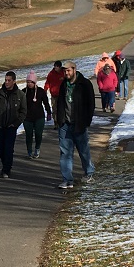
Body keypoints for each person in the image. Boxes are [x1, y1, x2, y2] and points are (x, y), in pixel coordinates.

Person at [55, 59, 96, 189]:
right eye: (64, 71)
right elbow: (60, 103)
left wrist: (86, 121)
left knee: (83, 150)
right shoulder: (63, 85)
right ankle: (67, 179)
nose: (66, 73)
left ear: (74, 69)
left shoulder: (84, 84)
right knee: (65, 152)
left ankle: (89, 172)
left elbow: (91, 104)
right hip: (65, 124)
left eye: (68, 70)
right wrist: (59, 120)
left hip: (79, 124)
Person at [0, 70, 26, 178]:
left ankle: (6, 169)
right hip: (0, 126)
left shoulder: (20, 95)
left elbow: (23, 111)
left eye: (9, 80)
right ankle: (5, 165)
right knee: (1, 147)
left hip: (11, 127)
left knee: (8, 148)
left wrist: (16, 124)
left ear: (14, 81)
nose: (7, 82)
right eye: (5, 80)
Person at [22, 69, 51, 158]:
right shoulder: (23, 92)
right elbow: (19, 105)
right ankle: (29, 151)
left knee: (38, 134)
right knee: (28, 135)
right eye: (28, 82)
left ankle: (37, 148)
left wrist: (49, 112)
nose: (29, 84)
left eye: (31, 82)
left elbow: (46, 102)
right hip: (27, 118)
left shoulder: (40, 91)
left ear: (34, 82)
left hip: (39, 117)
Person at [44, 60, 66, 125]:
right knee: (54, 109)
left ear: (60, 67)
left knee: (63, 108)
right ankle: (56, 122)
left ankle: (63, 121)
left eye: (57, 67)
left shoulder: (64, 72)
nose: (55, 68)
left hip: (62, 94)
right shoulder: (51, 74)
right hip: (54, 95)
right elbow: (47, 82)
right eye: (55, 67)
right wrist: (45, 90)